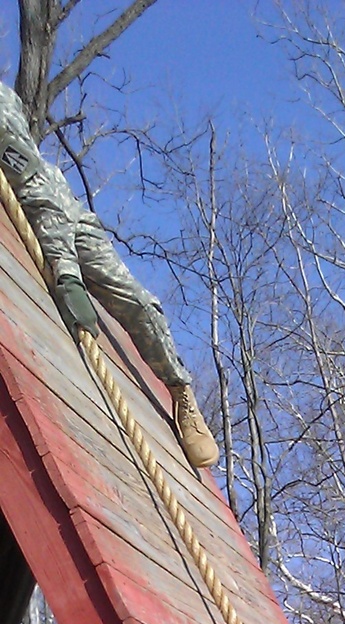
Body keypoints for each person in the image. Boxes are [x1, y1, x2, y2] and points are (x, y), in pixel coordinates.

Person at [0, 80, 218, 471]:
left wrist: (67, 272)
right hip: (43, 209)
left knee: (138, 303)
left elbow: (37, 189)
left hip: (65, 214)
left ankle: (180, 389)